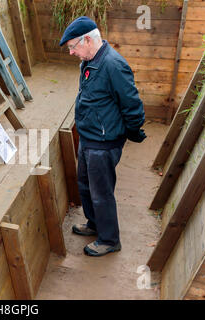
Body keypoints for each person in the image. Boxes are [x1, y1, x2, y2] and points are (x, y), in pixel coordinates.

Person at [59, 16, 146, 257]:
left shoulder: (113, 65)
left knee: (101, 192)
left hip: (104, 142)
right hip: (89, 137)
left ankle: (109, 239)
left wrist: (132, 131)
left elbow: (132, 104)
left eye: (73, 47)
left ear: (87, 40)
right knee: (85, 185)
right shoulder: (89, 61)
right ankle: (95, 223)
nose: (72, 53)